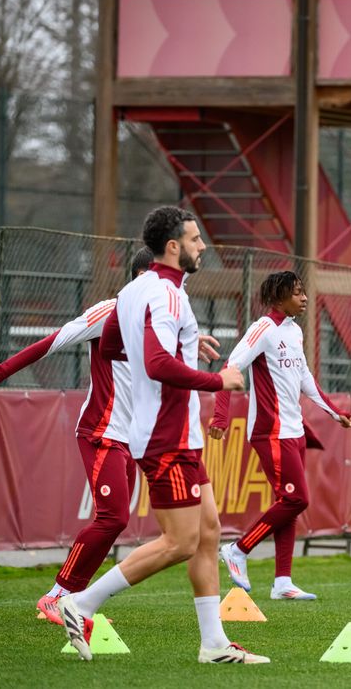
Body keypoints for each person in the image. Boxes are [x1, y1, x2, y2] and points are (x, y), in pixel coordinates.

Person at [58, 206, 266, 664]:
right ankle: (80, 602)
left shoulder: (134, 290)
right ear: (173, 247)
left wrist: (189, 347)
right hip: (165, 437)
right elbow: (155, 364)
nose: (202, 246)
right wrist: (219, 380)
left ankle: (213, 645)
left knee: (208, 532)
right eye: (194, 239)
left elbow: (114, 347)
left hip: (176, 433)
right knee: (180, 542)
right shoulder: (167, 296)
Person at [0, 247, 203, 623]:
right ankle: (58, 596)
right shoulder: (110, 311)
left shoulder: (165, 315)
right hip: (102, 431)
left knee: (117, 520)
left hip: (136, 438)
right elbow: (54, 341)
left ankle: (76, 600)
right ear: (144, 275)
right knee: (112, 517)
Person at [213, 270, 351, 601]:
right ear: (278, 297)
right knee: (296, 499)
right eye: (297, 292)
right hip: (270, 431)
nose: (304, 298)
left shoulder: (293, 331)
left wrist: (335, 412)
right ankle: (238, 549)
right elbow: (231, 366)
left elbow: (305, 377)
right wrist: (220, 414)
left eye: (304, 292)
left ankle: (282, 583)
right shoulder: (262, 329)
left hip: (293, 429)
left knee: (287, 502)